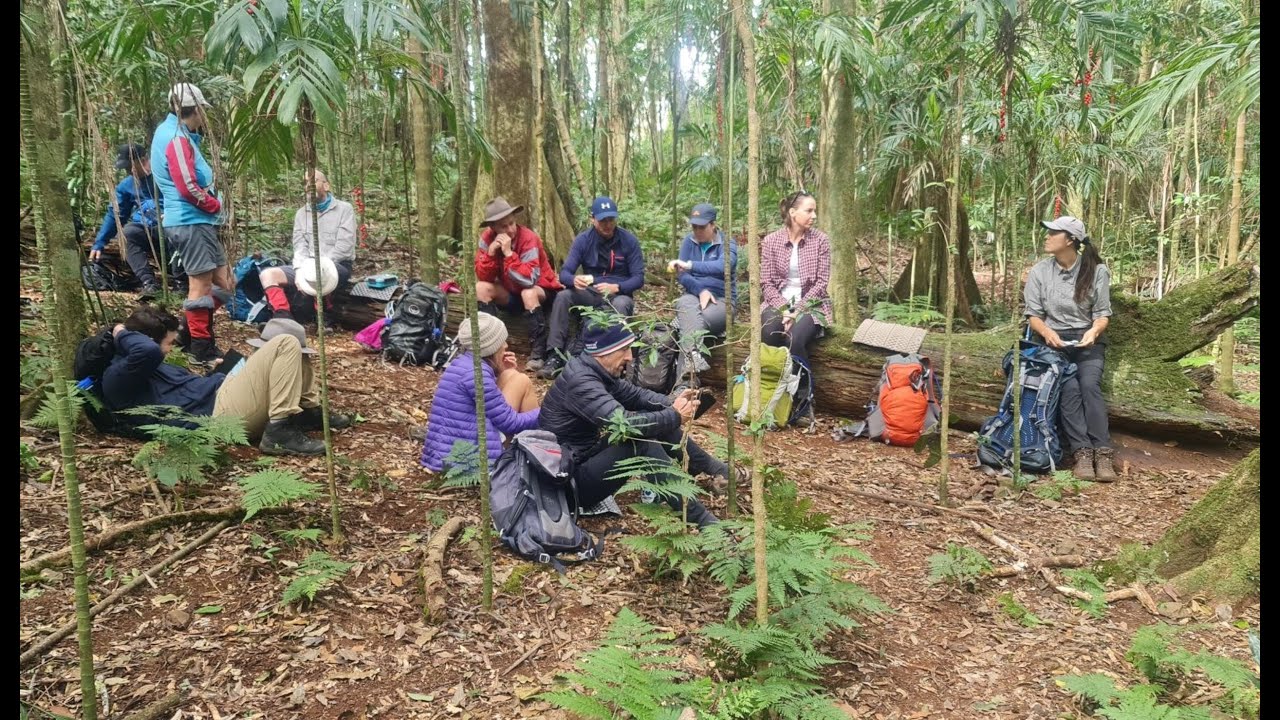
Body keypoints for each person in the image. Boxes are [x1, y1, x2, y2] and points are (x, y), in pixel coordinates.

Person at [539, 320, 728, 528]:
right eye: (624, 350)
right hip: (568, 486)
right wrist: (674, 416)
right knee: (642, 443)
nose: (630, 357)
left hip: (580, 461)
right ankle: (704, 523)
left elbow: (636, 396)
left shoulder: (594, 371)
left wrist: (672, 403)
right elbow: (626, 424)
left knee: (656, 417)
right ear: (602, 352)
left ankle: (713, 469)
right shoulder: (582, 383)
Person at [101, 306, 351, 456]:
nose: (169, 349)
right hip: (220, 416)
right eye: (167, 343)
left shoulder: (152, 367)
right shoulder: (117, 378)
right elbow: (147, 351)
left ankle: (308, 412)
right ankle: (279, 431)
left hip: (223, 396)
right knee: (285, 343)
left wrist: (213, 375)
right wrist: (120, 331)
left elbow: (181, 394)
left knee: (296, 349)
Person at [1024, 215, 1115, 481]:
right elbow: (1033, 315)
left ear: (1070, 240)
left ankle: (1103, 453)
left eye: (1054, 233)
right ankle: (1082, 453)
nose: (1047, 237)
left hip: (1087, 341)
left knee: (1089, 385)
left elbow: (1102, 314)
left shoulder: (1097, 271)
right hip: (1052, 342)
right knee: (1069, 388)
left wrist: (1093, 332)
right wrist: (1047, 333)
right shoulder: (1040, 271)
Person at [151, 82, 230, 363]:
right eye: (202, 111)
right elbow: (187, 186)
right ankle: (201, 348)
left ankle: (187, 332)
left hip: (198, 221)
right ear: (195, 110)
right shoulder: (176, 137)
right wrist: (215, 205)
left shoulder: (179, 134)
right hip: (190, 220)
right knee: (200, 286)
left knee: (225, 283)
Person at [538, 196, 646, 379]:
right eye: (603, 220)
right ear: (593, 219)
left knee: (621, 305)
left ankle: (617, 362)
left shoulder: (628, 241)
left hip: (618, 294)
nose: (607, 224)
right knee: (563, 296)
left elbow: (638, 278)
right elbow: (565, 274)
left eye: (611, 219)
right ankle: (554, 355)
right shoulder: (584, 240)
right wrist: (574, 280)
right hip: (591, 292)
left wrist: (617, 287)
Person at [420, 313, 541, 473]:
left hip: (446, 452)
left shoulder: (463, 363)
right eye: (501, 341)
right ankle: (539, 454)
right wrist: (546, 411)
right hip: (467, 462)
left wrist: (501, 370)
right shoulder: (476, 374)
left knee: (510, 374)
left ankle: (536, 450)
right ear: (490, 346)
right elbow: (510, 422)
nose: (505, 345)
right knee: (522, 380)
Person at [474, 197, 564, 370]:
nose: (510, 229)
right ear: (493, 227)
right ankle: (490, 347)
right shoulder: (486, 239)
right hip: (511, 293)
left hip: (541, 291)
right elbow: (484, 277)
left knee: (527, 292)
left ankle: (538, 353)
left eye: (512, 223)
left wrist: (509, 254)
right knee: (481, 288)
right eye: (504, 226)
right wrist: (491, 254)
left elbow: (529, 280)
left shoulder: (528, 238)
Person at [258, 169, 357, 323]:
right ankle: (282, 317)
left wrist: (317, 267)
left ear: (326, 185)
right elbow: (299, 246)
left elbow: (344, 247)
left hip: (336, 265)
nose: (308, 186)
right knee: (268, 275)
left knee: (319, 275)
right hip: (306, 267)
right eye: (305, 183)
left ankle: (323, 315)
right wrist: (299, 270)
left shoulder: (344, 209)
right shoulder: (301, 213)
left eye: (313, 181)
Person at [668, 202, 737, 387]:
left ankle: (683, 387)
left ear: (713, 225)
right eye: (694, 227)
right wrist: (701, 290)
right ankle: (692, 363)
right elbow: (682, 275)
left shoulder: (727, 242)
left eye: (702, 227)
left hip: (721, 300)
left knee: (690, 323)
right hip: (693, 296)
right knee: (685, 305)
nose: (697, 231)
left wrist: (691, 265)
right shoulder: (688, 242)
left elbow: (725, 265)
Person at [760, 190, 832, 364]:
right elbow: (766, 283)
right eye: (809, 211)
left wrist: (796, 310)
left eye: (814, 211)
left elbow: (821, 283)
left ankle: (801, 380)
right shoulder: (771, 241)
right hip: (777, 301)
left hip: (811, 304)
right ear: (793, 212)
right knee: (769, 333)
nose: (814, 216)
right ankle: (772, 378)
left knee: (794, 339)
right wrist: (785, 309)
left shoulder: (820, 240)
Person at [89, 143, 169, 300]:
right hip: (146, 229)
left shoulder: (163, 175)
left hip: (171, 225)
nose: (129, 171)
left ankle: (182, 284)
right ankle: (149, 283)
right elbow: (116, 215)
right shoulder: (126, 185)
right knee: (127, 234)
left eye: (131, 166)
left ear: (144, 159)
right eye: (126, 168)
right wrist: (99, 243)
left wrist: (171, 213)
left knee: (177, 229)